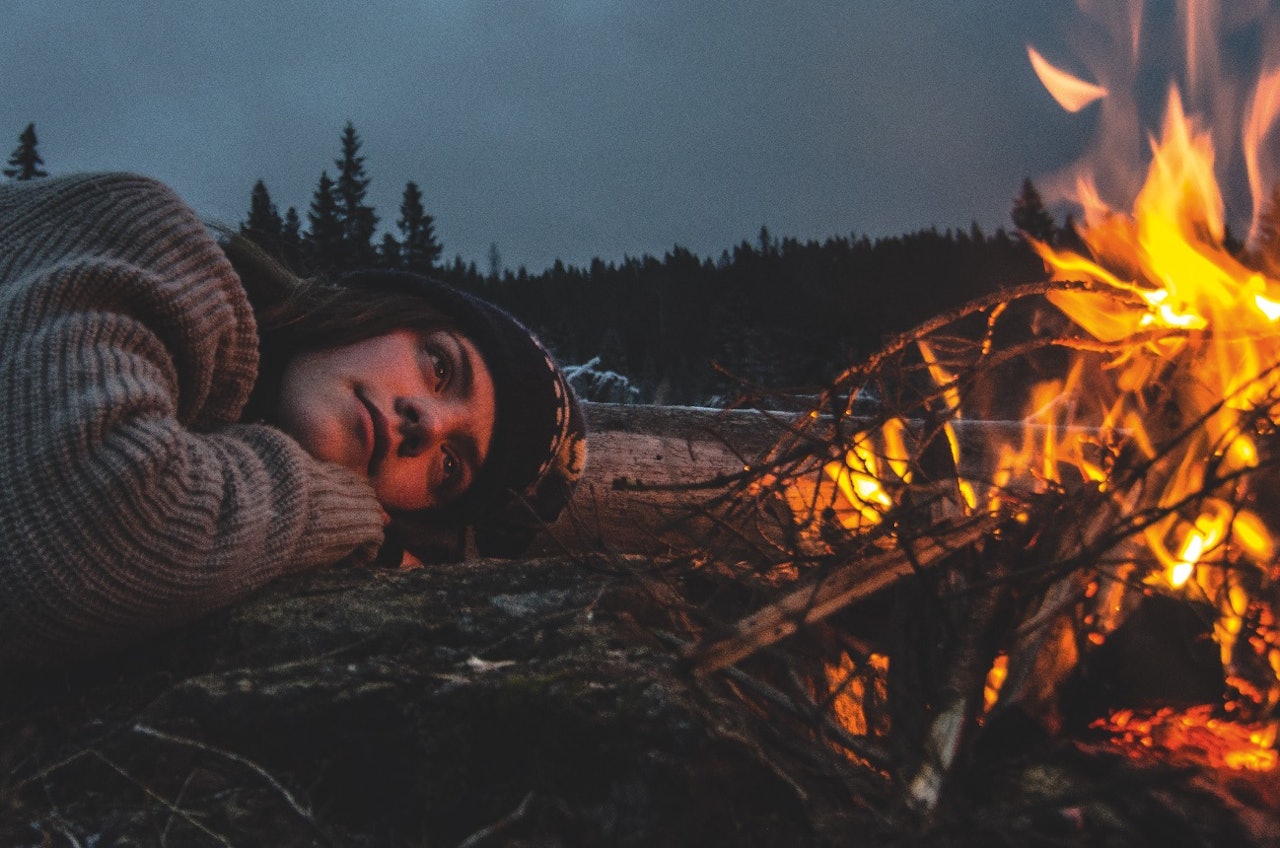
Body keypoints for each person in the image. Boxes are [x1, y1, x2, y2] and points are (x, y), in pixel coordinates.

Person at [0, 172, 586, 669]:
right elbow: (94, 525)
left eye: (450, 466)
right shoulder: (144, 238)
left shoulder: (228, 494)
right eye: (439, 366)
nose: (427, 424)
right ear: (383, 310)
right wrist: (347, 519)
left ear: (410, 517)